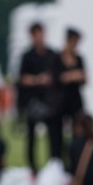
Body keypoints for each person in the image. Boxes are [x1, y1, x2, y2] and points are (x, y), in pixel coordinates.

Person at [17, 22, 58, 174]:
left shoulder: (52, 54)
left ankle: (53, 164)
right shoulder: (27, 56)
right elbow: (22, 78)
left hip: (49, 101)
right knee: (31, 136)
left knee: (53, 135)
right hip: (32, 101)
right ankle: (32, 167)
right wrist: (39, 80)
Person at [54, 27, 88, 166]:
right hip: (60, 102)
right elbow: (57, 78)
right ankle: (59, 161)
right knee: (58, 135)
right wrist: (73, 75)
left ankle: (75, 160)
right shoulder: (57, 58)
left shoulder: (79, 58)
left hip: (75, 101)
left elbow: (84, 77)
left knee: (77, 132)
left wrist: (70, 77)